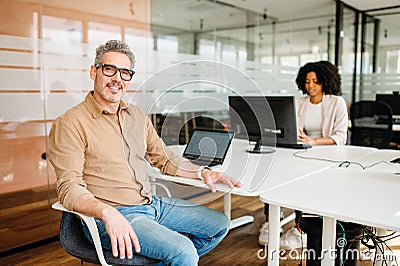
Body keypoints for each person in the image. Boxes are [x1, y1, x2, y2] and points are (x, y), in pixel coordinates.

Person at [47, 40, 243, 266]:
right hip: (114, 214)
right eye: (109, 69)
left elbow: (163, 157)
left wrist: (202, 173)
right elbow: (68, 187)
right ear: (94, 71)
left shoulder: (137, 116)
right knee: (184, 252)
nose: (117, 79)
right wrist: (107, 213)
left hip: (152, 204)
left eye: (125, 72)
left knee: (219, 225)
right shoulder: (71, 122)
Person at [259, 60, 348, 245]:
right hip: (302, 150)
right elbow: (291, 129)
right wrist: (299, 139)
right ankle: (271, 223)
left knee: (304, 179)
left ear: (325, 81)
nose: (311, 86)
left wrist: (314, 141)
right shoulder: (299, 103)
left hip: (327, 153)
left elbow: (340, 136)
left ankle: (300, 229)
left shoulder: (336, 102)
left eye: (316, 81)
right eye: (307, 81)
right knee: (273, 171)